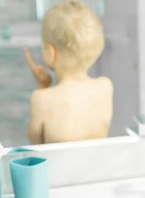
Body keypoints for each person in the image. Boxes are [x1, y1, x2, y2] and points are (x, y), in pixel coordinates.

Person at [23, 0, 113, 145]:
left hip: (57, 168)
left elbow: (36, 146)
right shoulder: (105, 87)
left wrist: (42, 86)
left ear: (50, 53)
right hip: (98, 166)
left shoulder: (41, 99)